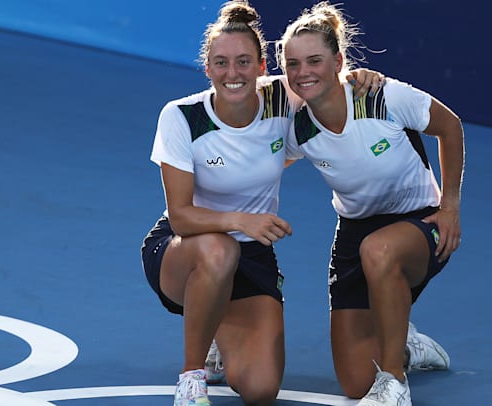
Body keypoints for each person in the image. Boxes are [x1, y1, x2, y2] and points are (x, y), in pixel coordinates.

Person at [140, 1, 383, 405]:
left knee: (260, 388)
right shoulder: (182, 116)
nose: (232, 74)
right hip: (184, 253)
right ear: (207, 68)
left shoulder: (281, 99)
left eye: (242, 62)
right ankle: (192, 376)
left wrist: (359, 77)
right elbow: (182, 218)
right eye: (221, 63)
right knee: (220, 249)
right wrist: (242, 220)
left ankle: (220, 336)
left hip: (251, 257)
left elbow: (324, 81)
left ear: (261, 65)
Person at [277, 2, 465, 405]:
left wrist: (450, 207)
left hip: (421, 222)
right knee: (355, 380)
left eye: (315, 60)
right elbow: (265, 159)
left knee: (378, 250)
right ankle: (409, 348)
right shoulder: (298, 125)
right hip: (354, 231)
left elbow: (450, 127)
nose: (304, 72)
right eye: (293, 64)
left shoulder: (382, 96)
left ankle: (395, 384)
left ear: (338, 61)